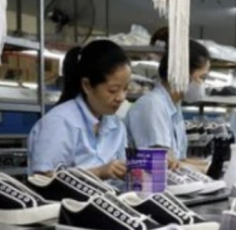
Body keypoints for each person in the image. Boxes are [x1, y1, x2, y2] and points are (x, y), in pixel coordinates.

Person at [28, 40, 131, 179]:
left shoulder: (117, 126)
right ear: (87, 85)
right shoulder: (59, 123)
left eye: (125, 89)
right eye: (113, 90)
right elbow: (43, 178)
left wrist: (138, 172)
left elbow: (123, 172)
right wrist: (98, 173)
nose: (121, 97)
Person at [126, 39, 211, 168]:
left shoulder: (174, 106)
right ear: (182, 75)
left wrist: (207, 165)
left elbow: (177, 159)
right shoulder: (153, 106)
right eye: (202, 77)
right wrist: (202, 169)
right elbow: (161, 166)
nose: (203, 85)